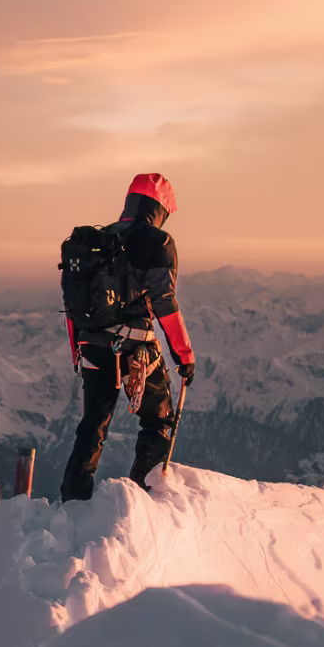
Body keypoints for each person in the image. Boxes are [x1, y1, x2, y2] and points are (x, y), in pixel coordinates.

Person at [59, 173, 196, 500]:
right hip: (136, 345)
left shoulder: (98, 240)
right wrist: (184, 355)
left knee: (93, 424)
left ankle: (74, 501)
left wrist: (77, 351)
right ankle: (146, 494)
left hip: (91, 344)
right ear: (161, 207)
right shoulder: (158, 242)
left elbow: (73, 305)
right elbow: (165, 303)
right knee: (159, 417)